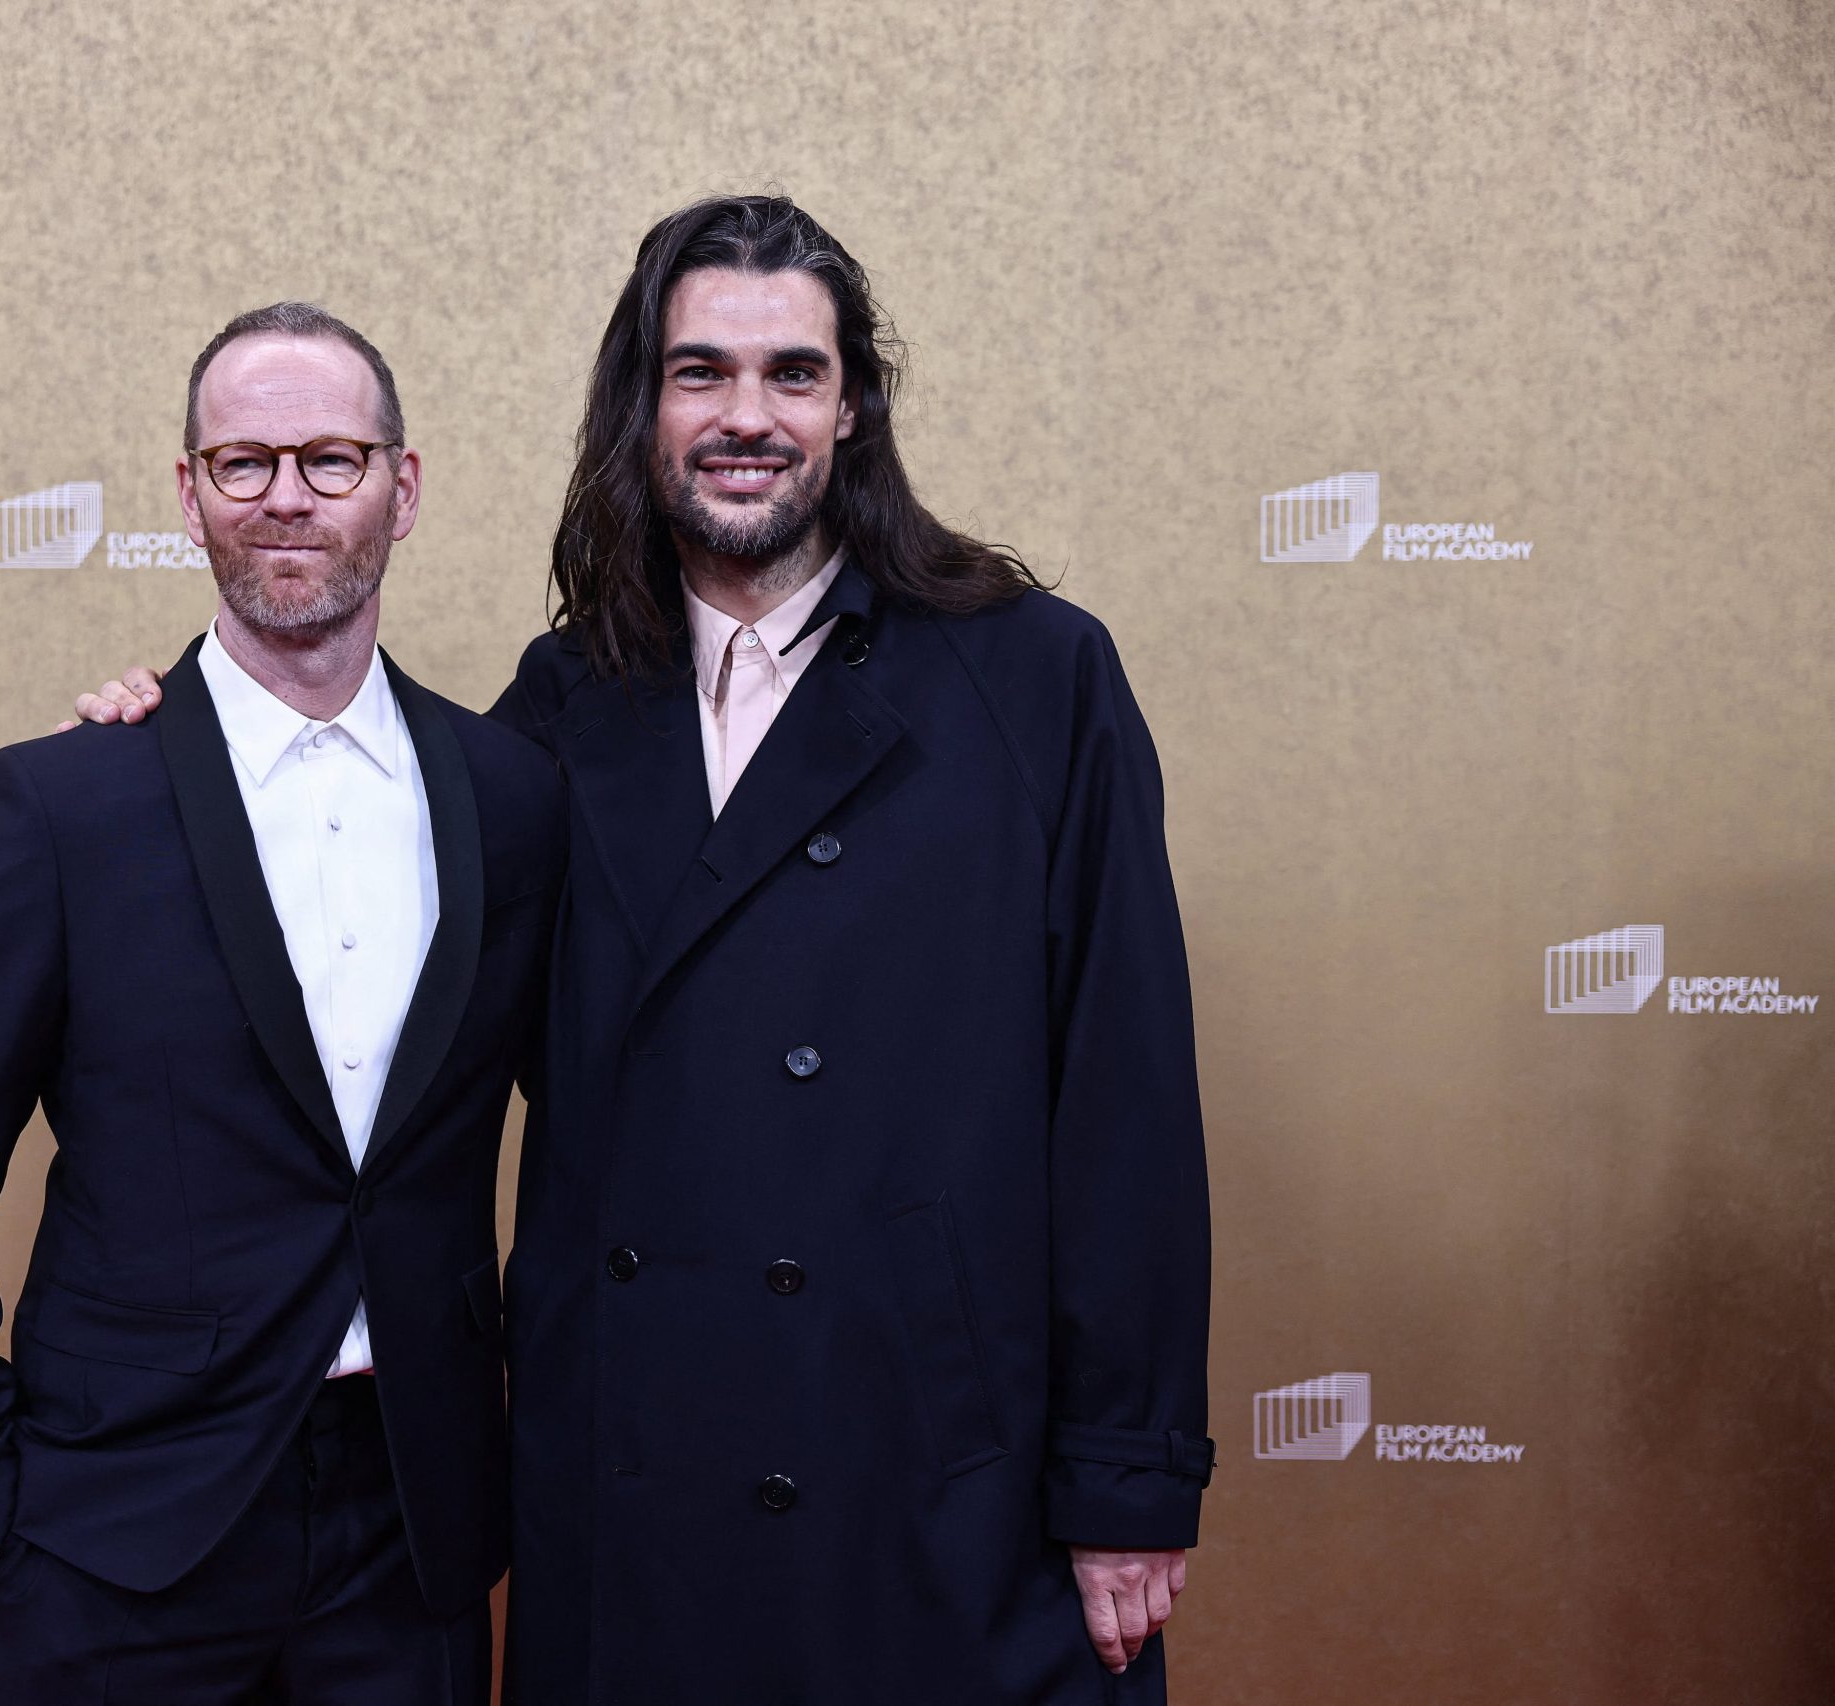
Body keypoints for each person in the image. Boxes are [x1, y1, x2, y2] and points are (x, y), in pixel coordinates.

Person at [74, 196, 1214, 1704]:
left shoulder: (1033, 675)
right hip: (634, 1482)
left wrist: (1129, 1480)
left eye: (792, 373)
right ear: (642, 403)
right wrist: (167, 758)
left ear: (854, 403)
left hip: (932, 1468)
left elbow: (1124, 1101)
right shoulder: (559, 707)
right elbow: (359, 946)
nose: (748, 416)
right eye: (701, 373)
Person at [0, 301, 563, 1705]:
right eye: (243, 463)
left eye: (331, 459)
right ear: (188, 496)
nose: (286, 495)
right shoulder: (66, 802)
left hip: (411, 1529)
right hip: (116, 1528)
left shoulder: (513, 795)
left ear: (401, 489)